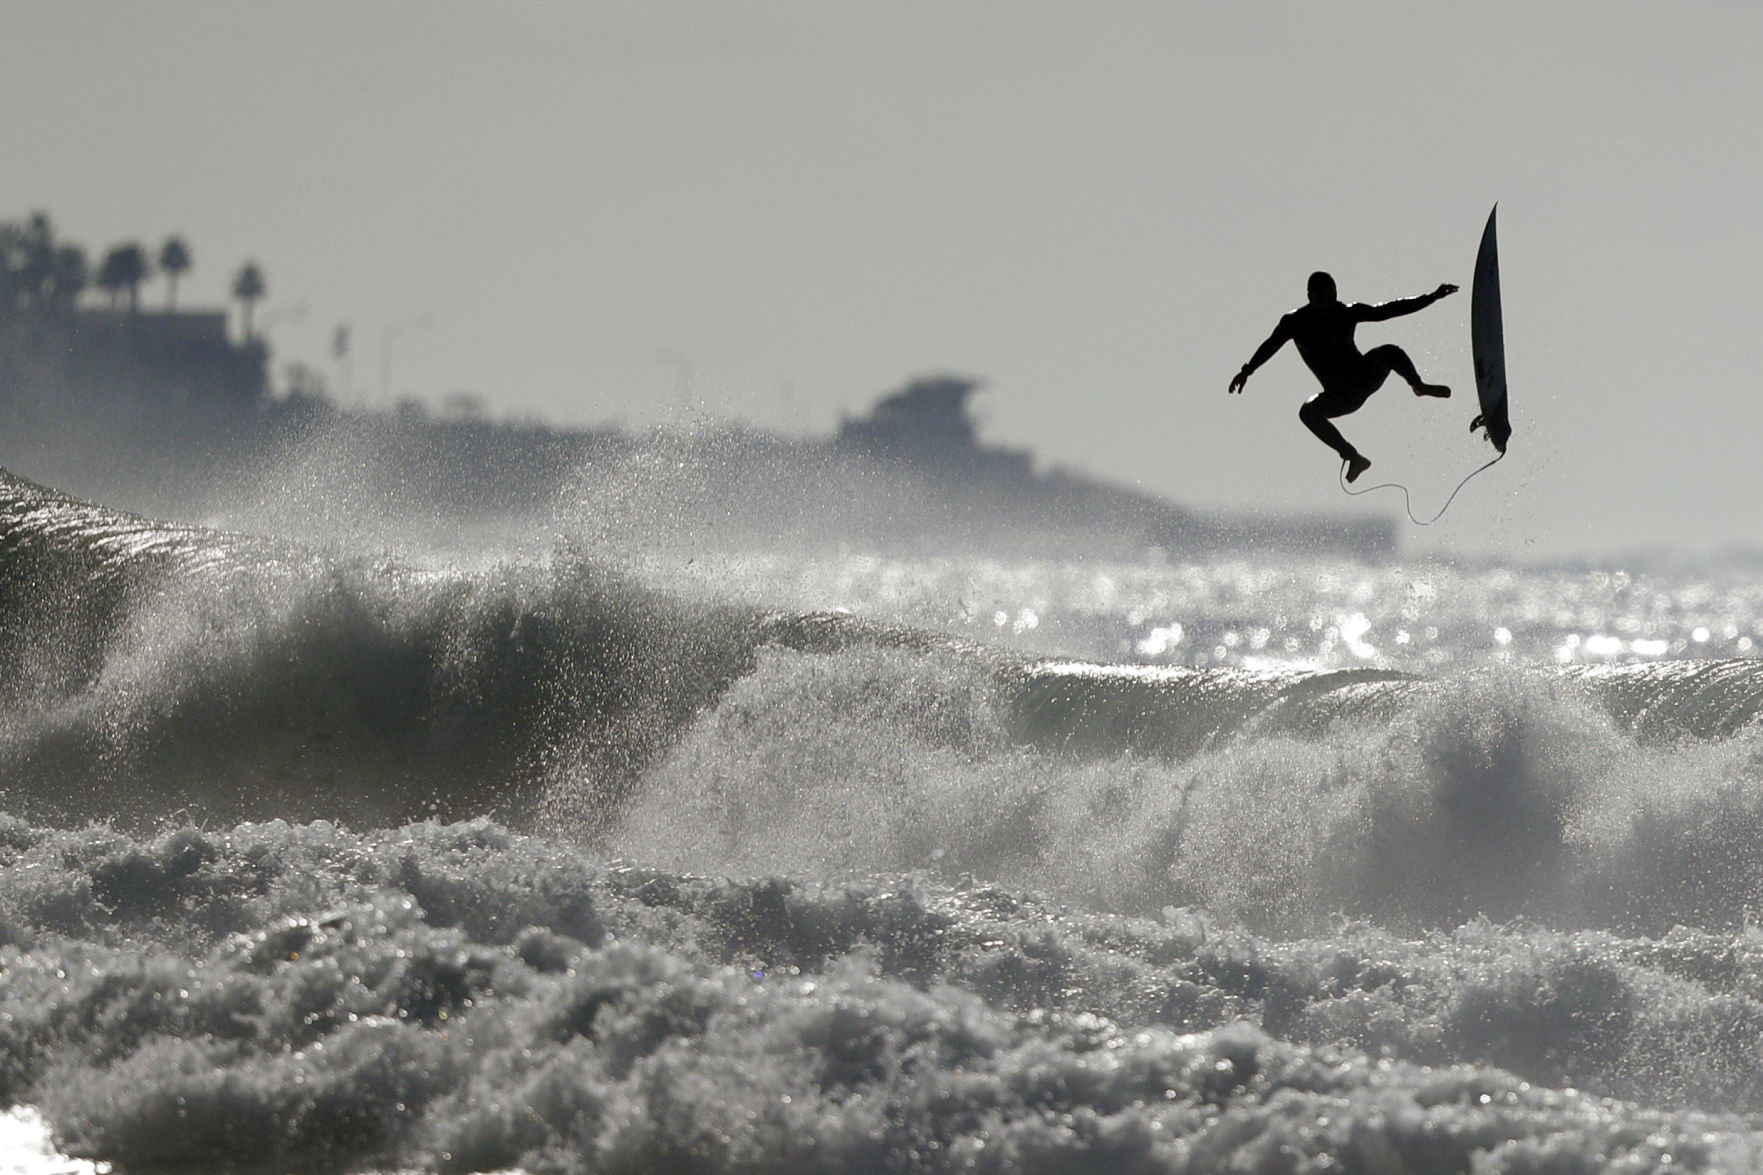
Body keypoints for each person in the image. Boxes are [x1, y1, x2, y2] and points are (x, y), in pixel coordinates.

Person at [1228, 272, 1459, 483]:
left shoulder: (1346, 313)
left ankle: (1418, 386)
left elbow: (1388, 310)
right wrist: (1247, 370)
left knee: (1389, 351)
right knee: (1307, 412)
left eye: (1331, 296)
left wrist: (1432, 297)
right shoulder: (1295, 322)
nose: (1327, 303)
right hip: (1340, 396)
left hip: (1364, 377)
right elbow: (1271, 344)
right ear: (1310, 297)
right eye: (1321, 298)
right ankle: (1352, 456)